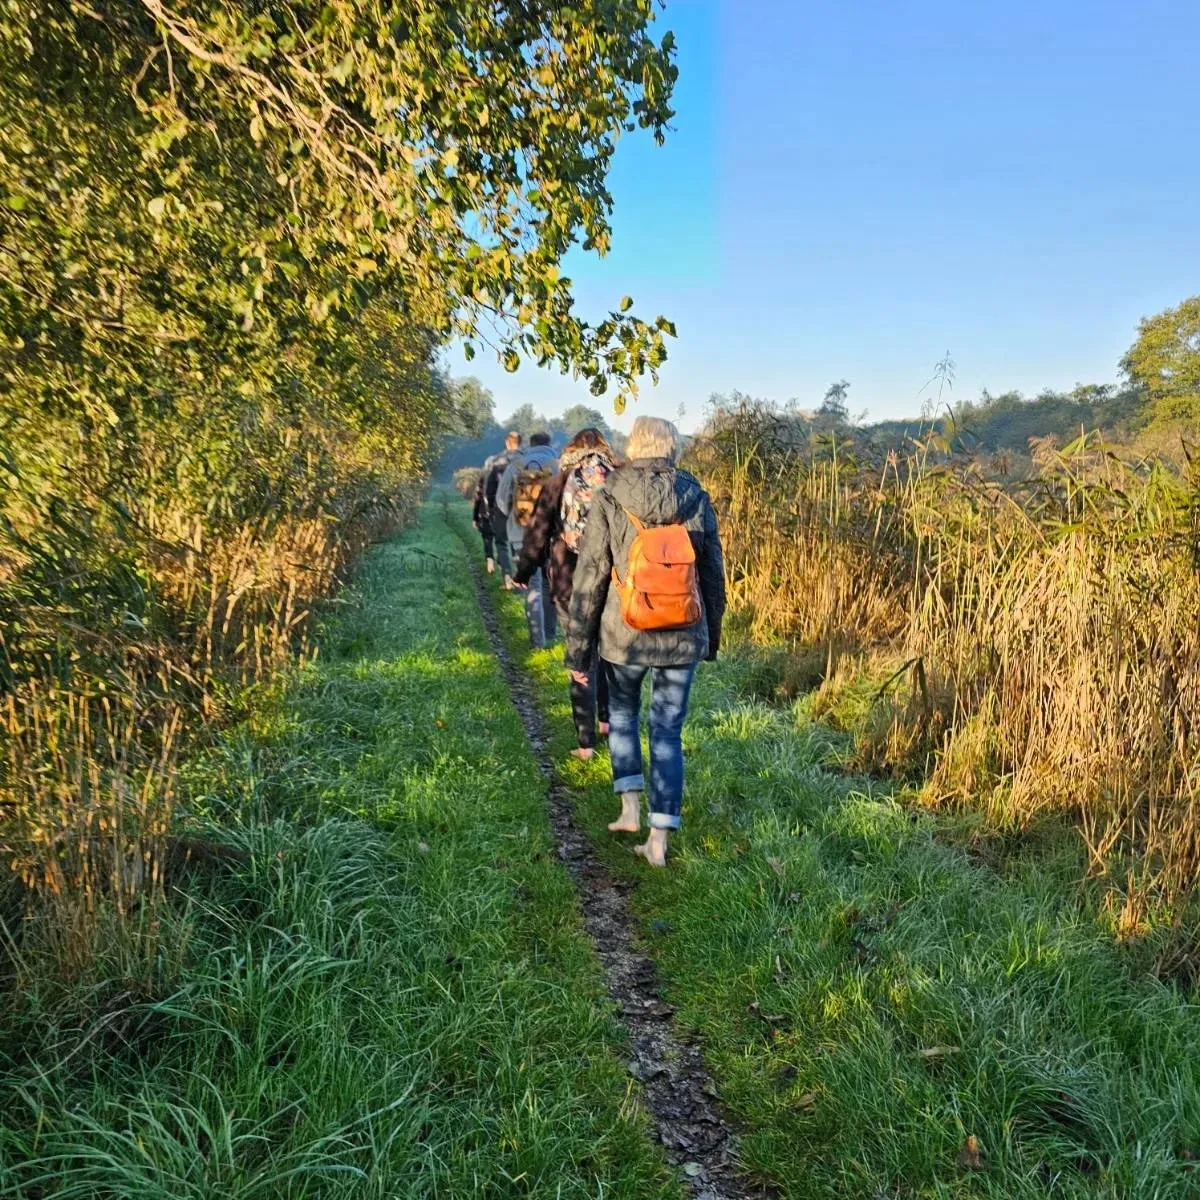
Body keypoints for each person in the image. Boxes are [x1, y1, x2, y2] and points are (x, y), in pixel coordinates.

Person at [565, 416, 725, 867]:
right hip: (682, 631)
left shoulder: (611, 493)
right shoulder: (695, 495)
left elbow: (591, 574)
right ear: (673, 447)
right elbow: (712, 572)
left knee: (621, 713)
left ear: (633, 446)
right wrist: (710, 636)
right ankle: (659, 840)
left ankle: (629, 810)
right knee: (667, 731)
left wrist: (578, 648)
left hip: (624, 634)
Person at [514, 428, 617, 758]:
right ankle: (607, 721)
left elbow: (539, 531)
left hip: (568, 581)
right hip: (612, 581)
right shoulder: (618, 479)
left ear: (571, 450)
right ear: (603, 448)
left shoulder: (558, 482)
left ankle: (586, 743)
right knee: (606, 652)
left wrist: (523, 572)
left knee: (580, 656)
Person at [497, 431, 560, 647]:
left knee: (531, 584)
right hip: (551, 534)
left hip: (520, 534)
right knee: (549, 584)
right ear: (549, 443)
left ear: (530, 445)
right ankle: (551, 635)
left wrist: (515, 517)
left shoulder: (516, 465)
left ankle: (537, 641)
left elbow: (500, 499)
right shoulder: (557, 465)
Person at [475, 432, 523, 578]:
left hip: (501, 507)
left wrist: (490, 509)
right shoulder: (527, 460)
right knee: (518, 542)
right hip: (522, 508)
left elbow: (488, 488)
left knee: (501, 542)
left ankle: (507, 575)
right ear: (520, 442)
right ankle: (520, 577)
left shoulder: (497, 461)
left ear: (507, 443)